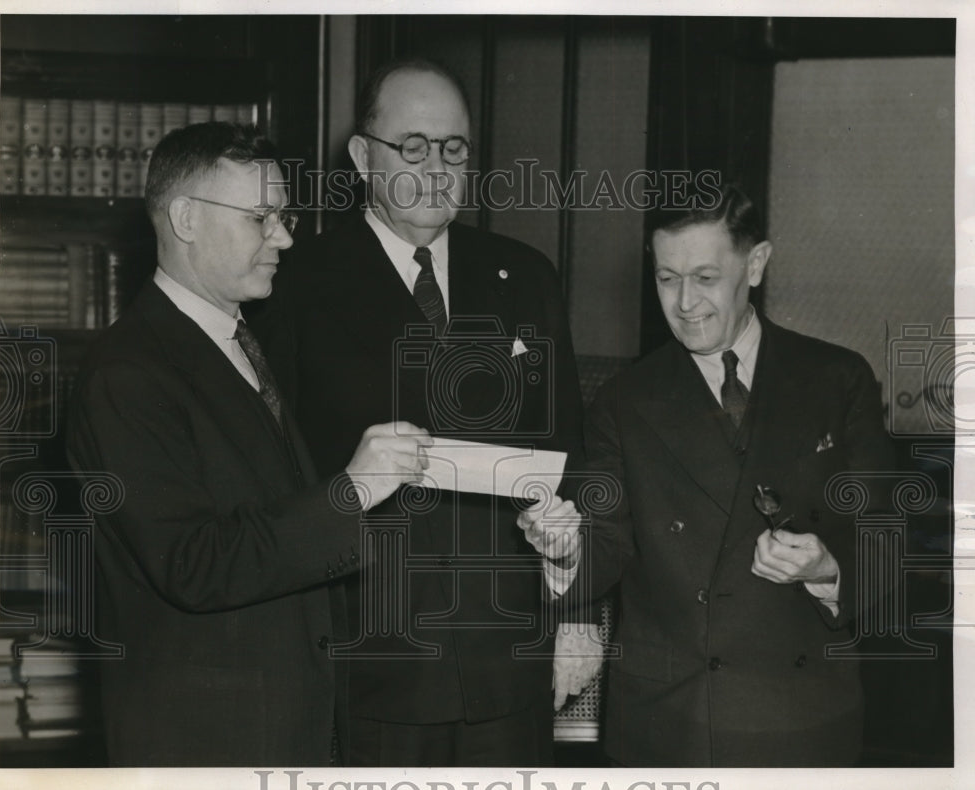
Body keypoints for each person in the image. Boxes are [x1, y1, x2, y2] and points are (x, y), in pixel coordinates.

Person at [251, 59, 599, 766]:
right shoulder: (293, 285)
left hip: (512, 665)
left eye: (453, 148)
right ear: (361, 157)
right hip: (369, 663)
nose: (435, 168)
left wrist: (578, 613)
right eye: (412, 146)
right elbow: (270, 478)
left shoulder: (525, 276)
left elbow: (572, 459)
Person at [65, 122, 430, 767]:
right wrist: (349, 494)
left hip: (276, 725)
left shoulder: (239, 340)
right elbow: (192, 562)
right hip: (204, 739)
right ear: (185, 219)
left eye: (283, 216)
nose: (285, 237)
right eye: (261, 217)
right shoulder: (126, 374)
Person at [519, 184, 896, 766]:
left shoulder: (837, 379)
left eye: (705, 277)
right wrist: (563, 550)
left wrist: (829, 569)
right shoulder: (623, 401)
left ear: (757, 264)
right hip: (670, 720)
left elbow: (887, 542)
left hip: (800, 717)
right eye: (667, 279)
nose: (685, 303)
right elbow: (609, 546)